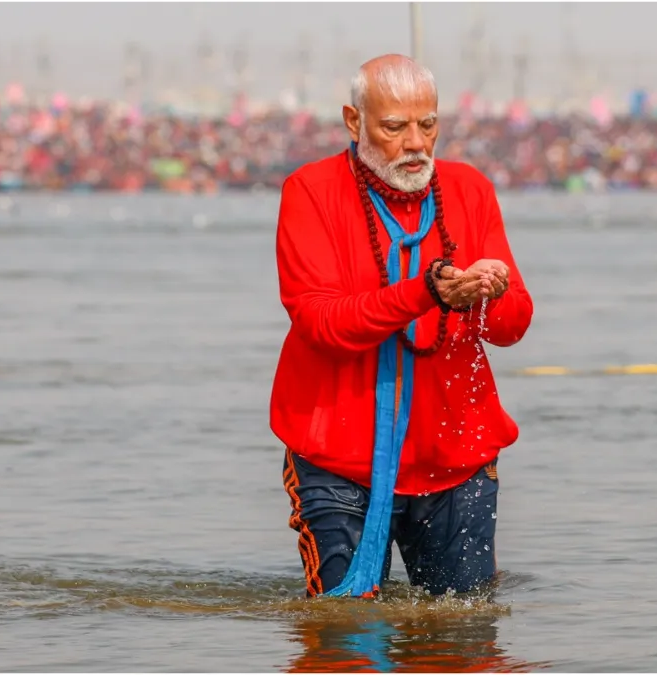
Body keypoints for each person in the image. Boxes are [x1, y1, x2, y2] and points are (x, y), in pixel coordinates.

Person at [270, 54, 533, 599]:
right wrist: (428, 291)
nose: (416, 143)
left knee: (464, 637)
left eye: (428, 124)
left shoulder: (469, 189)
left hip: (456, 455)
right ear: (354, 121)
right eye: (394, 127)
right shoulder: (310, 191)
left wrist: (489, 292)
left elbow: (511, 327)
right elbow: (321, 323)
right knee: (347, 641)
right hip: (337, 458)